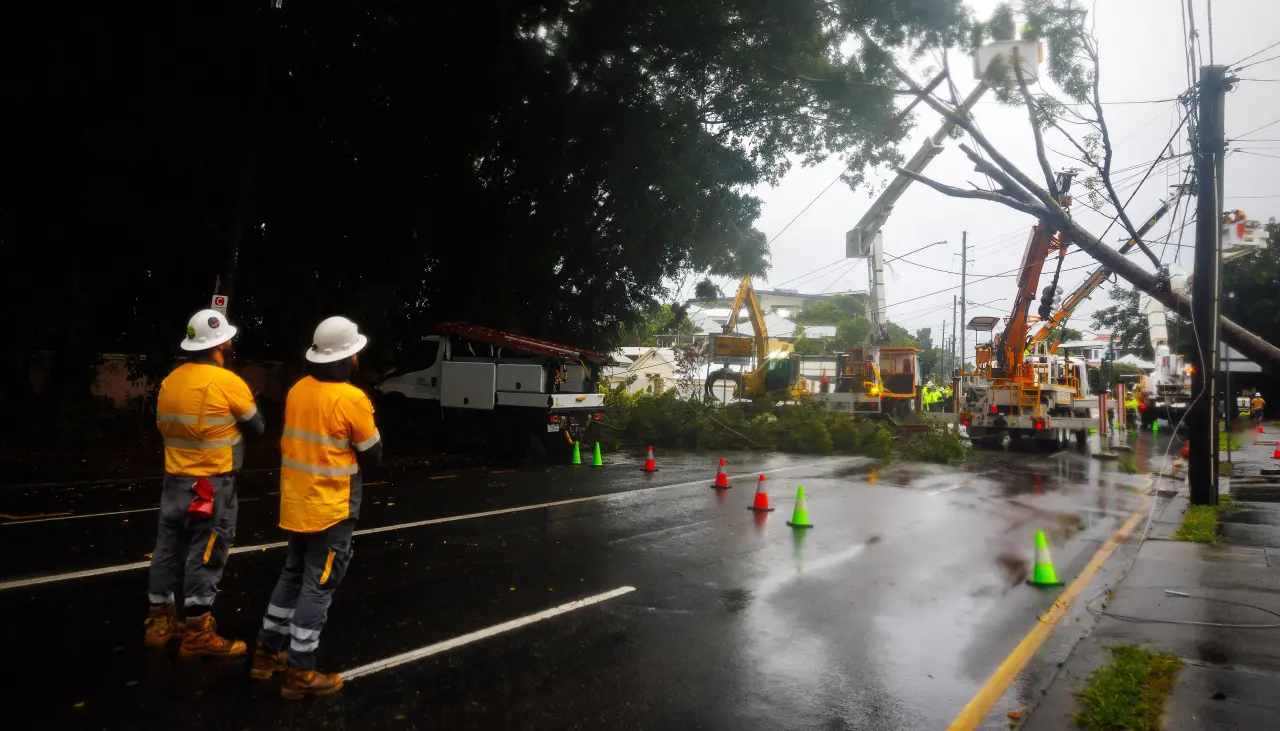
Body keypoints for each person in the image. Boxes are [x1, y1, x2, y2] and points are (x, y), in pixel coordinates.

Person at [251, 316, 383, 699]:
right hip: (331, 508)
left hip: (298, 503)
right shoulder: (351, 398)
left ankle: (266, 653)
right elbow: (373, 454)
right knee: (317, 586)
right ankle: (300, 672)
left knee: (292, 576)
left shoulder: (298, 391)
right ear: (346, 357)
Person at [145, 309, 265, 657]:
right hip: (211, 484)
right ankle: (197, 631)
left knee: (167, 548)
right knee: (207, 551)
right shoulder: (228, 382)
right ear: (220, 343)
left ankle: (160, 621)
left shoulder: (171, 381)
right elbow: (257, 428)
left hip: (174, 481)